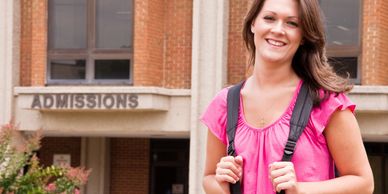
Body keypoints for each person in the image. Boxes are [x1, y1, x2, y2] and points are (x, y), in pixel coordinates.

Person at [200, 0, 374, 193]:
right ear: (252, 24)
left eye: (292, 23)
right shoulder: (224, 103)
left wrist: (300, 189)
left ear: (303, 36)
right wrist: (222, 182)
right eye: (269, 18)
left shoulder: (326, 102)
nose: (278, 29)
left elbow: (364, 183)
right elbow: (209, 177)